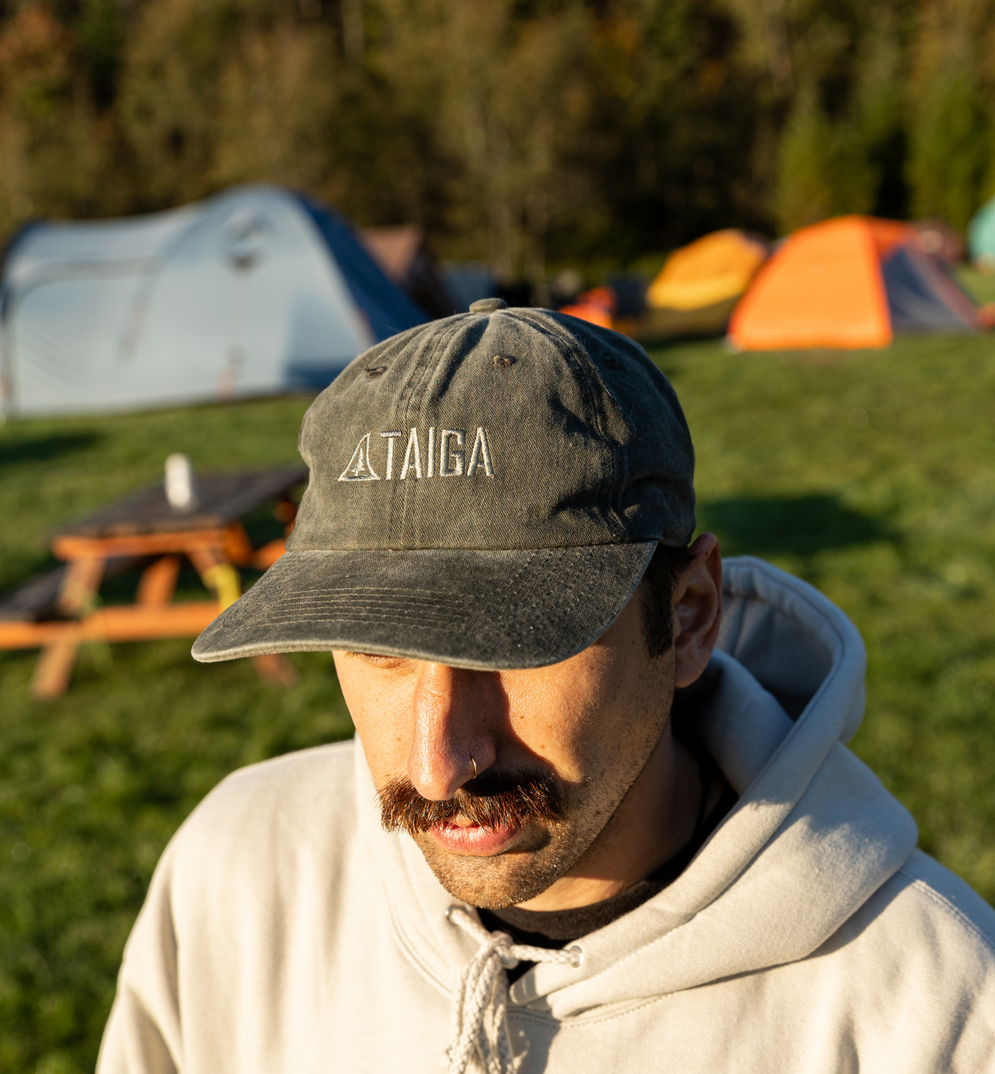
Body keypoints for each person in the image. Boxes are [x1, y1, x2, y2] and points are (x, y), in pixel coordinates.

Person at [97, 299, 995, 1074]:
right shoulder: (236, 874)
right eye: (379, 649)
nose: (441, 758)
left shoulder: (934, 1007)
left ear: (686, 615)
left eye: (518, 644)